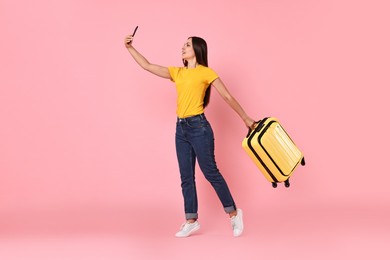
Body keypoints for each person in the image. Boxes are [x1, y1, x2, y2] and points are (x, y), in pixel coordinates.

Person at [124, 33, 255, 238]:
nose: (183, 47)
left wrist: (246, 119)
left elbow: (227, 96)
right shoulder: (178, 72)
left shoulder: (206, 72)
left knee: (210, 172)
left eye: (187, 45)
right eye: (183, 45)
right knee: (186, 177)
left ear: (197, 50)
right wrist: (130, 48)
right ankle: (191, 220)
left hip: (199, 128)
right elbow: (148, 65)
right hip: (181, 130)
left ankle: (234, 213)